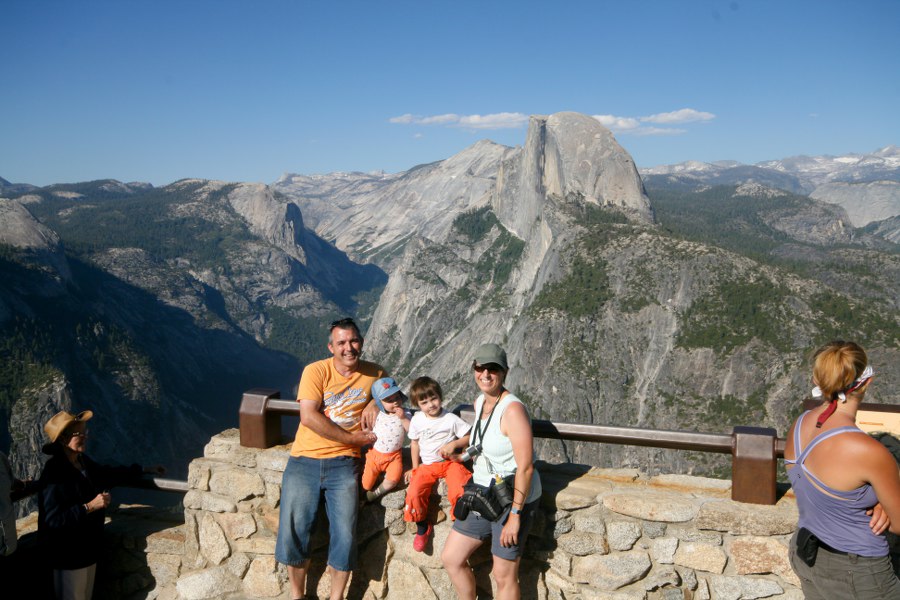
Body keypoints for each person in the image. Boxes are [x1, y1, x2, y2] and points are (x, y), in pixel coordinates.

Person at [275, 317, 385, 600]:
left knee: (345, 535)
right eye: (342, 343)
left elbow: (392, 392)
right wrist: (351, 439)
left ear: (361, 341)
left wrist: (376, 401)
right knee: (294, 531)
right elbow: (309, 416)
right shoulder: (316, 371)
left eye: (354, 341)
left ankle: (337, 597)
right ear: (331, 347)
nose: (349, 348)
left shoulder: (376, 373)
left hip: (344, 465)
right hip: (304, 460)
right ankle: (297, 595)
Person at [784, 341, 900, 599]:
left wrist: (880, 499)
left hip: (806, 553)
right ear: (867, 382)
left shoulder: (799, 425)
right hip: (857, 572)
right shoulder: (868, 452)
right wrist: (885, 498)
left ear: (818, 379)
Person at [442, 343, 542, 600]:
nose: (485, 374)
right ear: (474, 369)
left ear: (504, 372)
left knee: (503, 575)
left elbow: (526, 467)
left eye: (492, 369)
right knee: (452, 558)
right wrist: (460, 447)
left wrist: (516, 516)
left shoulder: (513, 411)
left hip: (511, 498)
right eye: (480, 368)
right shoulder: (480, 402)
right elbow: (486, 440)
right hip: (483, 492)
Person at [37, 410, 165, 600]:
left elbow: (107, 473)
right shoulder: (54, 473)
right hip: (68, 553)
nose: (85, 437)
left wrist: (143, 469)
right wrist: (89, 506)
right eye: (79, 434)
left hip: (87, 549)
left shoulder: (82, 462)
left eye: (85, 433)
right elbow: (52, 520)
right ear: (63, 439)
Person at [403, 376, 472, 552]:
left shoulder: (450, 418)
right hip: (427, 465)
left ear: (440, 397)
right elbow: (415, 443)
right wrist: (415, 466)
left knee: (460, 486)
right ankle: (422, 526)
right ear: (418, 404)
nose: (431, 405)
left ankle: (460, 522)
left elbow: (469, 436)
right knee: (414, 490)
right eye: (424, 402)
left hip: (450, 462)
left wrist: (455, 444)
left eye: (433, 398)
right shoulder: (418, 420)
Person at [362, 377, 411, 502]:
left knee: (393, 479)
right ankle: (364, 492)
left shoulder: (406, 413)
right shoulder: (378, 414)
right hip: (374, 455)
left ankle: (374, 494)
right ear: (380, 403)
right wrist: (369, 434)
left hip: (394, 456)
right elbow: (371, 428)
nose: (395, 402)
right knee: (366, 484)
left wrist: (403, 418)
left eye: (397, 398)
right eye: (389, 400)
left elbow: (411, 431)